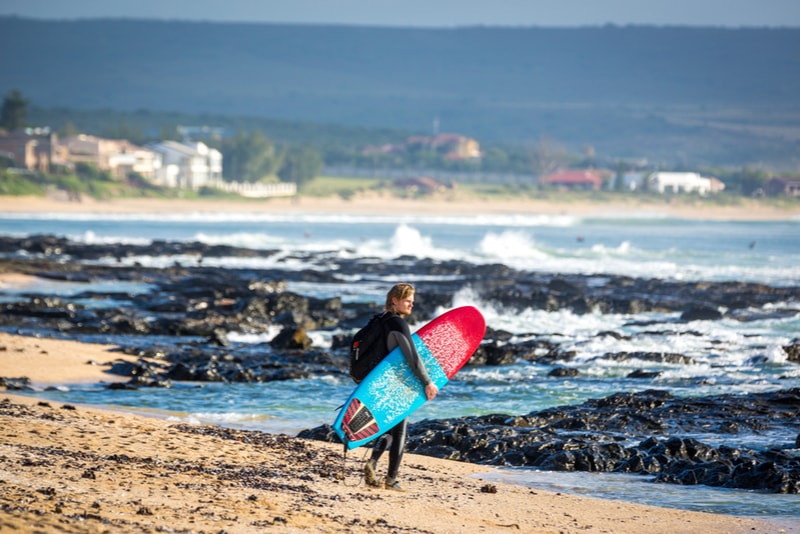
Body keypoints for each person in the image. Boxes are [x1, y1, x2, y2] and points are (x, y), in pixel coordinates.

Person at [363, 282, 438, 491]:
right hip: (394, 383)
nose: (411, 304)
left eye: (412, 301)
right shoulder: (398, 324)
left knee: (389, 426)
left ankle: (373, 463)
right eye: (407, 300)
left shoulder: (379, 320)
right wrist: (427, 382)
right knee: (399, 430)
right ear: (394, 301)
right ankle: (391, 479)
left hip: (376, 381)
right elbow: (412, 357)